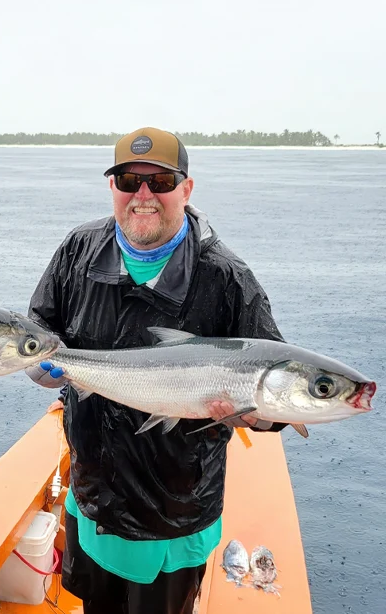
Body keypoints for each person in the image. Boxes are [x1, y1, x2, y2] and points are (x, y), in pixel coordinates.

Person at [26, 128, 286, 614]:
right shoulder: (77, 251)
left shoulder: (228, 279)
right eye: (128, 179)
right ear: (112, 188)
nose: (143, 195)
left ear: (186, 189)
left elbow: (276, 386)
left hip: (176, 513)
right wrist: (42, 367)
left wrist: (257, 416)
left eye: (161, 181)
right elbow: (40, 327)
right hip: (93, 499)